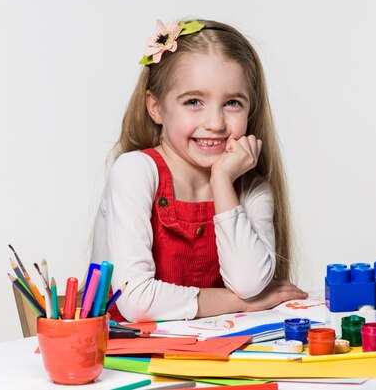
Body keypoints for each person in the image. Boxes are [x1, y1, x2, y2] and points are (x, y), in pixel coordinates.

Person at [91, 18, 308, 322]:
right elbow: (136, 301)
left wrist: (222, 182)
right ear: (156, 107)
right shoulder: (135, 172)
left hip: (215, 356)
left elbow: (249, 283)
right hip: (126, 360)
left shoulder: (251, 189)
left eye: (232, 103)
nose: (216, 123)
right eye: (193, 101)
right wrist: (240, 303)